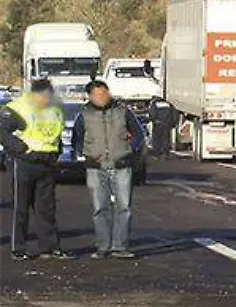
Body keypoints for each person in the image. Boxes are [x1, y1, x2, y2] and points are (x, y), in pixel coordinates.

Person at [70, 79, 145, 258]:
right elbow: (77, 138)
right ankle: (103, 246)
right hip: (95, 167)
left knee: (124, 207)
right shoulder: (84, 115)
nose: (102, 97)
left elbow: (138, 134)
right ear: (90, 97)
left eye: (104, 93)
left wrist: (130, 151)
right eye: (97, 94)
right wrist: (85, 154)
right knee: (99, 208)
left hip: (121, 165)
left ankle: (120, 246)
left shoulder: (122, 111)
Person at [2, 79, 70, 260]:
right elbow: (2, 132)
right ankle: (19, 249)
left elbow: (57, 134)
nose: (45, 100)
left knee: (46, 208)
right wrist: (21, 149)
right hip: (24, 162)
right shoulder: (18, 108)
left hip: (47, 162)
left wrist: (57, 153)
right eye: (42, 96)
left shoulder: (55, 109)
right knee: (20, 207)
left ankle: (50, 248)